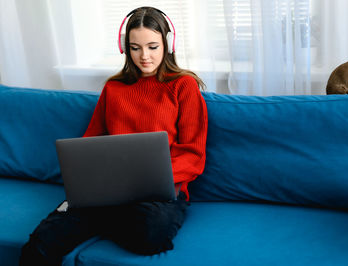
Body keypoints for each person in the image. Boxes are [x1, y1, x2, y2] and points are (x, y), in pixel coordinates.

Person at [19, 6, 208, 266]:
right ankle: (97, 216)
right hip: (109, 192)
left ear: (168, 43)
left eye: (153, 46)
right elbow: (91, 142)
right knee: (40, 242)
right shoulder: (113, 88)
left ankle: (98, 220)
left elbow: (193, 154)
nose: (144, 57)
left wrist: (147, 182)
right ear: (125, 48)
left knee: (152, 234)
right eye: (135, 47)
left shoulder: (183, 86)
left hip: (159, 195)